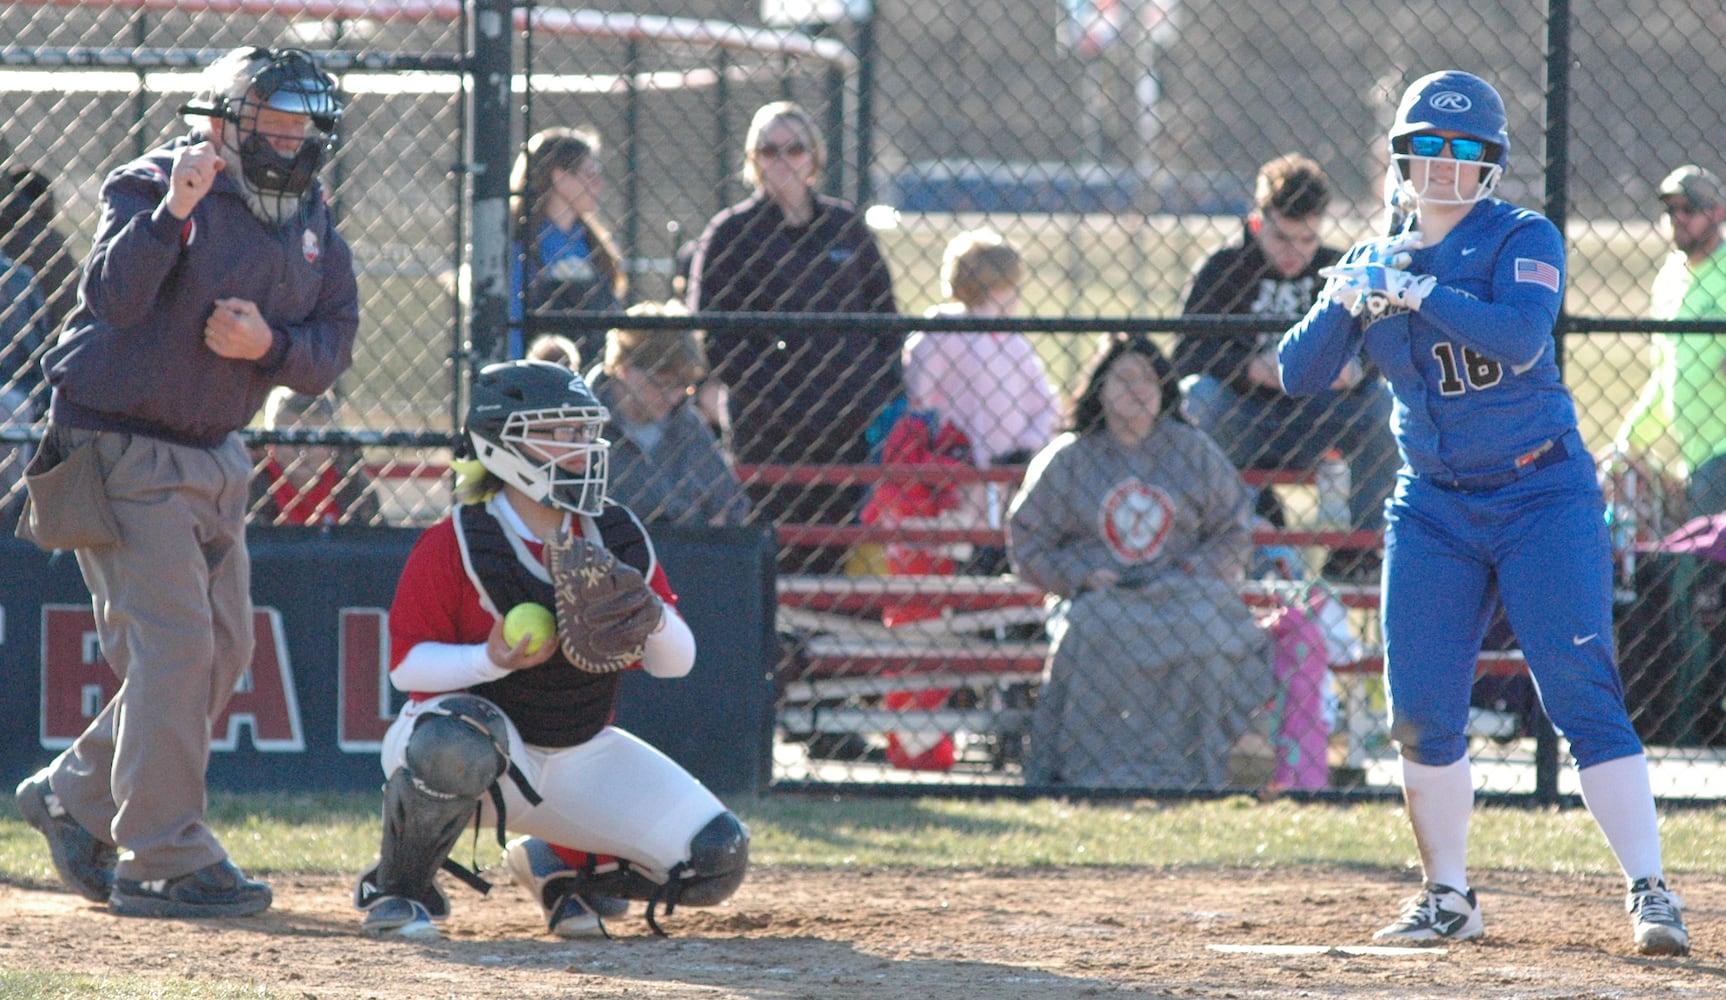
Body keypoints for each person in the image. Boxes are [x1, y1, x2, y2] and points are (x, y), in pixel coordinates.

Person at [1278, 70, 1689, 955]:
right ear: (1398, 157)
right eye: (1425, 147)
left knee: (1581, 693)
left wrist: (1420, 292)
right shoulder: (1374, 252)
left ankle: (1652, 890)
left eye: (1464, 152)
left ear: (1492, 166)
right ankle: (1449, 896)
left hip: (1542, 492)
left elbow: (1520, 335)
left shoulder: (1522, 235)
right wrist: (1345, 294)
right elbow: (1297, 374)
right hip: (1432, 506)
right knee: (1421, 708)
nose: (1443, 166)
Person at [11, 46, 356, 918]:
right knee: (173, 649)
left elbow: (331, 344)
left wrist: (268, 349)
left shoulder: (310, 216)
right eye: (271, 125)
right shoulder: (153, 184)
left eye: (301, 127)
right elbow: (109, 299)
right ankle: (161, 856)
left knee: (224, 649)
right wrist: (174, 211)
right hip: (119, 444)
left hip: (217, 452)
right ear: (220, 123)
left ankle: (74, 795)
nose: (289, 142)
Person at [353, 360, 749, 941]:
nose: (582, 448)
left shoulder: (613, 532)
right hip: (472, 749)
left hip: (577, 750)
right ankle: (400, 890)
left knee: (716, 857)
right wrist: (489, 660)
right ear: (501, 446)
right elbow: (407, 667)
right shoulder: (458, 540)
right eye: (559, 434)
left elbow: (677, 663)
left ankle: (559, 870)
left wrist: (651, 615)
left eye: (584, 432)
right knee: (458, 738)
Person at [1007, 333, 1273, 789]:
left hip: (1182, 593)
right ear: (1099, 390)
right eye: (1125, 378)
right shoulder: (1069, 458)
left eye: (1149, 379)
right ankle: (1088, 772)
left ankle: (1198, 771)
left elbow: (1234, 529)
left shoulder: (1194, 451)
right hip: (1103, 596)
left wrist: (1195, 570)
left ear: (1166, 388)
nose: (1139, 389)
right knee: (1089, 629)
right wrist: (1080, 576)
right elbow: (1027, 540)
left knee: (1211, 634)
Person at [686, 101, 900, 554]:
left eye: (796, 148)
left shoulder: (845, 227)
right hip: (768, 424)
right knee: (773, 541)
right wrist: (765, 390)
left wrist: (871, 388)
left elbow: (886, 316)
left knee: (839, 540)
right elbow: (711, 331)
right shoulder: (731, 232)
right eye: (769, 149)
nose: (782, 159)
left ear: (815, 158)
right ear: (752, 160)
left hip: (847, 417)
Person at [1173, 153, 1397, 580]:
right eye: (1282, 238)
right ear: (1257, 223)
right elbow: (1186, 354)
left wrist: (1355, 370)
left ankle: (1361, 550)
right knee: (1196, 396)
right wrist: (1249, 369)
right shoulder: (1223, 268)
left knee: (1380, 403)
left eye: (1307, 239)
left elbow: (1381, 344)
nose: (1295, 252)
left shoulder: (1339, 271)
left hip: (1316, 415)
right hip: (1242, 416)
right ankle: (1203, 537)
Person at [1616, 164, 1726, 519]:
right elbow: (1665, 377)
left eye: (1689, 209)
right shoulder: (1669, 279)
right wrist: (1628, 443)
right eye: (1670, 209)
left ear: (1717, 213)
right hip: (1695, 457)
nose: (1677, 218)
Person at [588, 301, 749, 526]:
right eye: (663, 383)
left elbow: (731, 505)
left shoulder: (688, 425)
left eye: (683, 385)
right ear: (624, 365)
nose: (675, 397)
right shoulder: (581, 423)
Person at [509, 127, 625, 362]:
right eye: (590, 174)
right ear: (559, 177)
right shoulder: (521, 248)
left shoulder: (593, 245)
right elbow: (511, 327)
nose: (599, 185)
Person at [248, 386, 381, 527]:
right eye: (291, 439)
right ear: (271, 443)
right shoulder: (251, 484)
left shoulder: (353, 485)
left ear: (333, 445)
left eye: (316, 440)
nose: (303, 450)